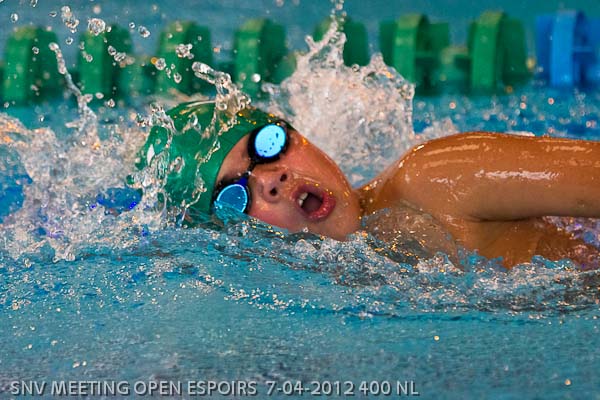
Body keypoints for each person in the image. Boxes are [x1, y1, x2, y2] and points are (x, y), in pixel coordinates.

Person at [135, 100, 600, 270]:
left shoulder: (438, 177)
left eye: (267, 144)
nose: (271, 179)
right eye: (235, 195)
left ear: (301, 136)